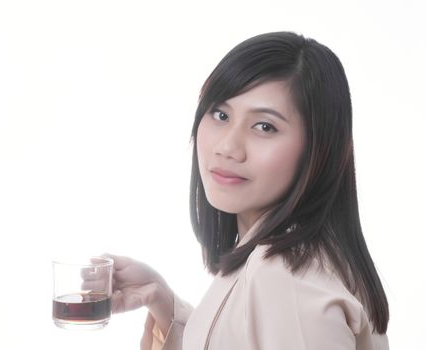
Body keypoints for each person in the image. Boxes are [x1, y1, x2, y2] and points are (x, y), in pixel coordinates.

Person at [105, 31, 389, 349]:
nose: (228, 147)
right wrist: (161, 300)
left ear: (317, 149)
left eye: (264, 126)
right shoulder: (291, 259)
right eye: (221, 114)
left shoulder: (285, 279)